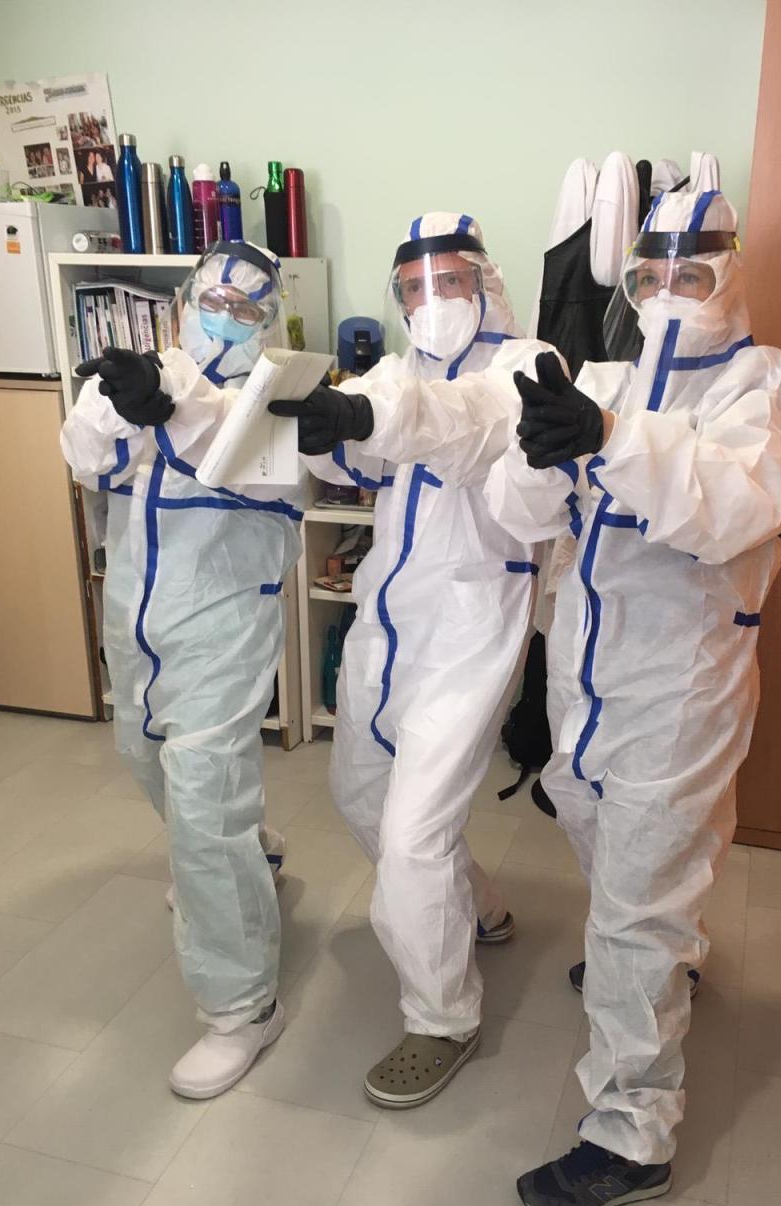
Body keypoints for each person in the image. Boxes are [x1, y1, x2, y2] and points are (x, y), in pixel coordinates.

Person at [483, 188, 781, 1206]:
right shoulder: (606, 373)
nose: (674, 287)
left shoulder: (761, 384)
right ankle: (661, 957)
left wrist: (612, 439)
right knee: (595, 836)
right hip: (585, 673)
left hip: (680, 683)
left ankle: (632, 1135)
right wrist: (544, 456)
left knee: (632, 897)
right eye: (655, 272)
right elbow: (518, 511)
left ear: (733, 270)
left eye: (696, 267)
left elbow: (735, 505)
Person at [269, 212, 556, 1108]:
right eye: (411, 290)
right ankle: (476, 908)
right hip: (386, 621)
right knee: (360, 794)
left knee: (413, 829)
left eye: (448, 282)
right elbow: (368, 450)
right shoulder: (399, 370)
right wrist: (328, 424)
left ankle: (443, 1016)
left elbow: (460, 426)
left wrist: (370, 411)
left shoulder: (527, 367)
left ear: (485, 281)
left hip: (474, 623)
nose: (429, 303)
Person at [61, 241, 308, 1099]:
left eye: (246, 307)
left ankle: (242, 1009)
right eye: (213, 298)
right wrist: (121, 406)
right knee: (144, 757)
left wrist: (176, 405)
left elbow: (272, 473)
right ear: (185, 297)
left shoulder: (282, 389)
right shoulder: (144, 370)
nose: (225, 316)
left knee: (202, 796)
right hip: (137, 616)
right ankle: (251, 857)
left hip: (225, 617)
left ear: (268, 317)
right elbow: (85, 456)